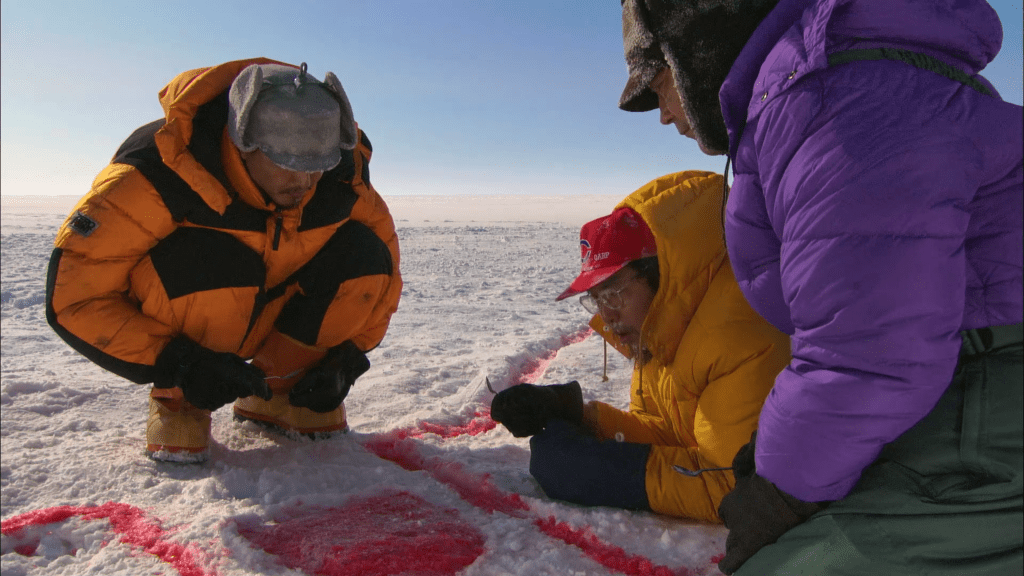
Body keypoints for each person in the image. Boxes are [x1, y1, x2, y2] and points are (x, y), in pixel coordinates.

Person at [619, 1, 1022, 574]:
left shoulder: (838, 104)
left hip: (992, 400)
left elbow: (871, 349)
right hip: (958, 387)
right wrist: (777, 454)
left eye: (658, 82)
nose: (662, 114)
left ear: (699, 45)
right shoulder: (823, 92)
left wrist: (779, 491)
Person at [46, 58, 402, 464]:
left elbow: (385, 272)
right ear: (243, 142)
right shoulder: (160, 170)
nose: (304, 182)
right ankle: (181, 401)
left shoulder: (343, 180)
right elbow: (75, 298)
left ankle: (280, 392)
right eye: (287, 164)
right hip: (188, 321)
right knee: (208, 263)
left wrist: (348, 355)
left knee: (363, 256)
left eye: (317, 165)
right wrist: (180, 364)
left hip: (270, 307)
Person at [490, 171, 790, 521]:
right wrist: (578, 415)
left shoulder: (734, 336)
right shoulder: (661, 329)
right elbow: (667, 432)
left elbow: (736, 484)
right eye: (596, 299)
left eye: (614, 294)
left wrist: (617, 474)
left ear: (660, 276)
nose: (606, 315)